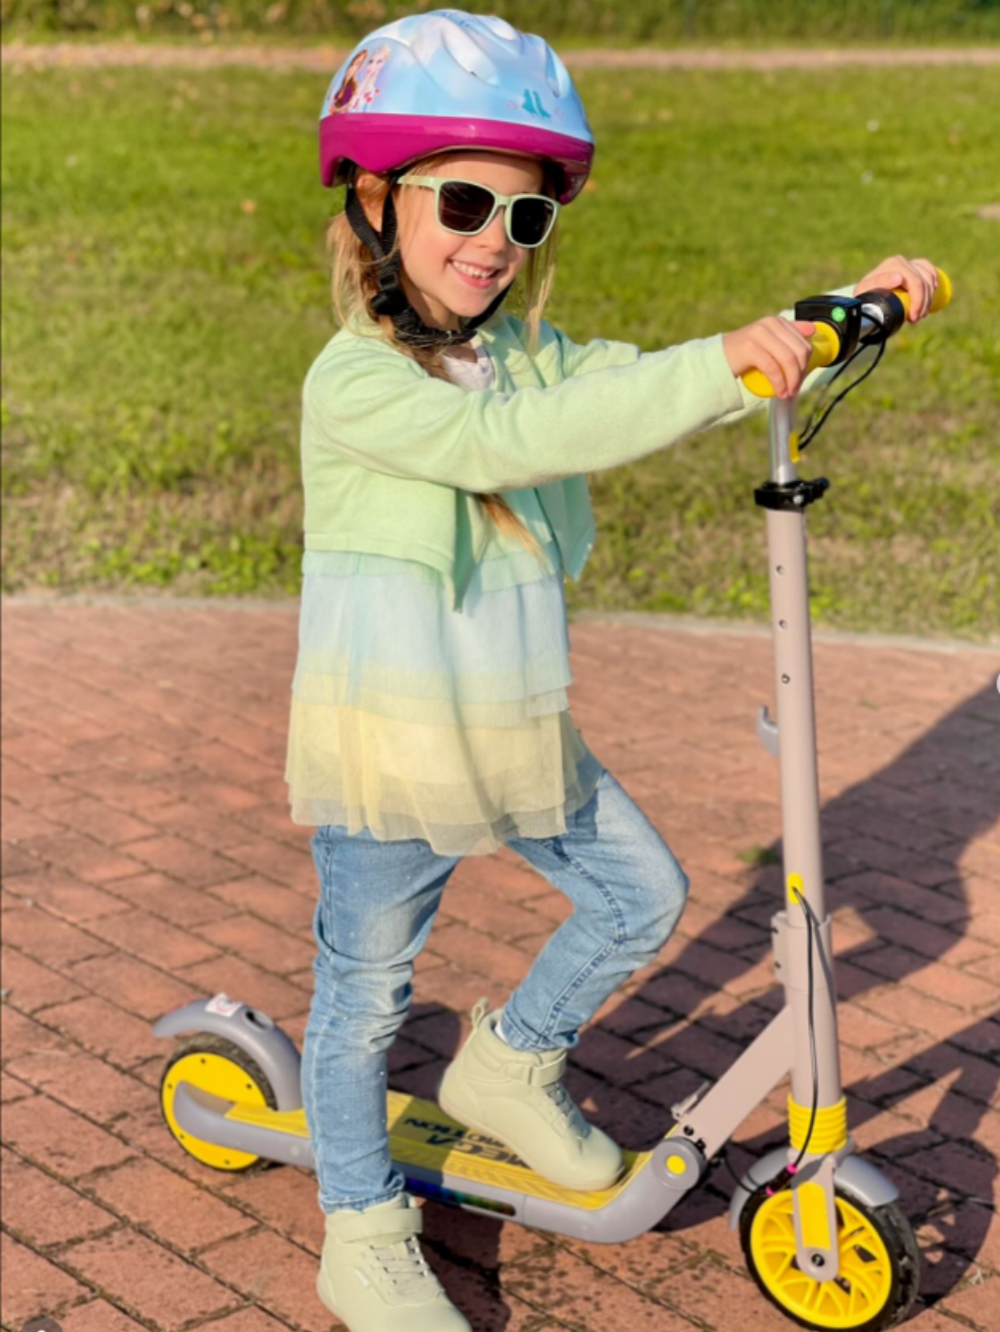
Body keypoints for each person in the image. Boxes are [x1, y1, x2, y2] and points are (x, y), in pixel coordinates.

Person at [285, 11, 941, 1328]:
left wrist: (824, 315)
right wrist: (715, 364)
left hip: (518, 724)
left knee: (642, 896)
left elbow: (621, 384)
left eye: (522, 219)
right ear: (375, 201)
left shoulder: (525, 350)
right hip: (394, 743)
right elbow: (519, 441)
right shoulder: (354, 386)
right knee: (365, 1002)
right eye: (462, 202)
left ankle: (510, 1071)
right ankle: (358, 1228)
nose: (490, 241)